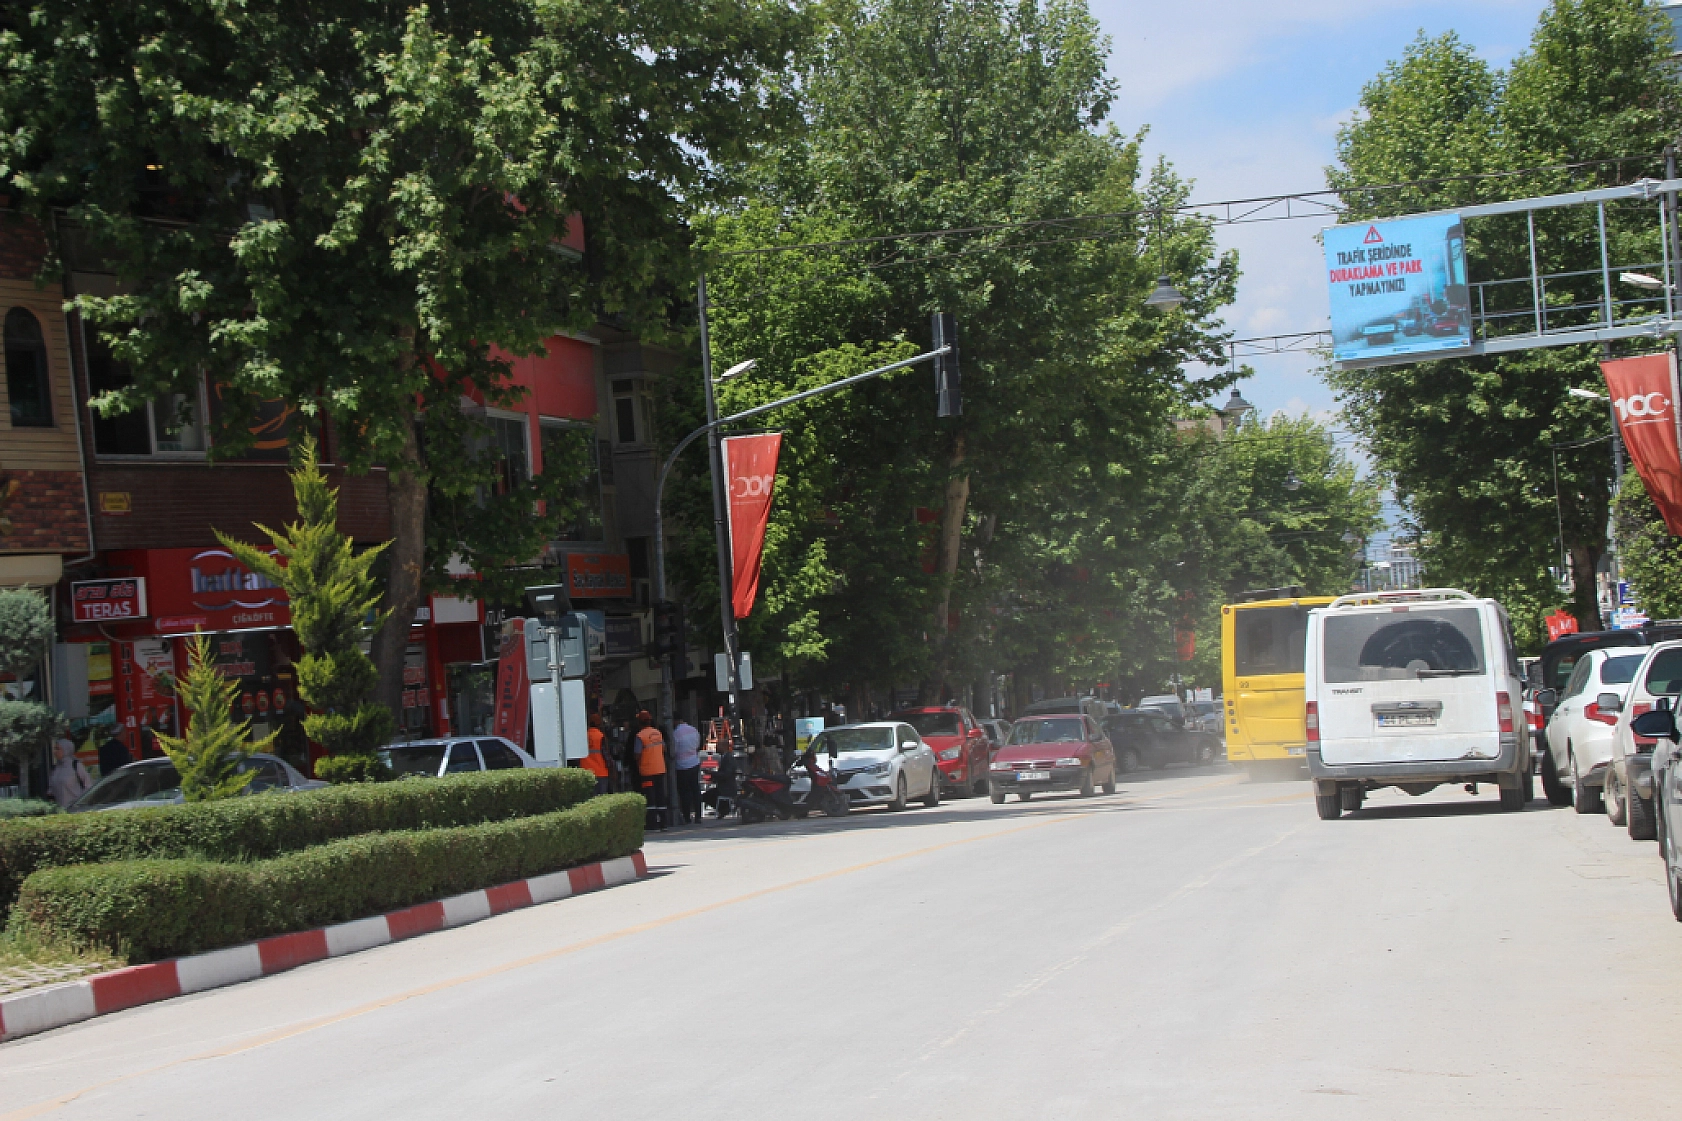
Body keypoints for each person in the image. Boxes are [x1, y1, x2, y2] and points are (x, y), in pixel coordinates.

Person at [633, 710, 667, 831]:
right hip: (660, 769)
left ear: (639, 722)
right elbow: (664, 748)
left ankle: (652, 824)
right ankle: (663, 823)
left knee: (650, 796)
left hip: (647, 771)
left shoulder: (640, 736)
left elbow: (637, 754)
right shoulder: (658, 733)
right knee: (660, 795)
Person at [671, 718, 702, 825]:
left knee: (684, 792)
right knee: (695, 789)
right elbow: (697, 745)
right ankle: (698, 816)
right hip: (694, 762)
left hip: (682, 765)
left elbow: (674, 750)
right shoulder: (694, 730)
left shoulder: (676, 733)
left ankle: (687, 816)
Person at [48, 737, 91, 809]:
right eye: (55, 749)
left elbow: (88, 785)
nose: (55, 751)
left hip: (76, 809)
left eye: (58, 749)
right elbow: (51, 788)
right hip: (59, 810)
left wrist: (80, 802)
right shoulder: (55, 768)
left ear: (66, 750)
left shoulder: (75, 765)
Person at [582, 714, 610, 795]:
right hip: (601, 772)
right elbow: (606, 755)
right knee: (601, 798)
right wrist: (611, 768)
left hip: (586, 772)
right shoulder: (600, 736)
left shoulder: (583, 736)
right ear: (599, 723)